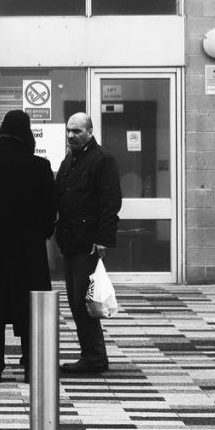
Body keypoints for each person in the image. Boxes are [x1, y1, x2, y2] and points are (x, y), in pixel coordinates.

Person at [0, 110, 56, 383]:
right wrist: (37, 235)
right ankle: (31, 366)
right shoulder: (40, 167)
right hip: (29, 253)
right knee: (30, 309)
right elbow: (49, 213)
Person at [54, 112, 122, 375]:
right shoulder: (69, 160)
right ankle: (92, 355)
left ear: (90, 132)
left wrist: (104, 239)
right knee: (76, 301)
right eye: (69, 131)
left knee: (84, 301)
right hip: (70, 242)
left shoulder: (103, 161)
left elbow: (110, 203)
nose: (71, 135)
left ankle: (94, 357)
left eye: (77, 131)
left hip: (88, 244)